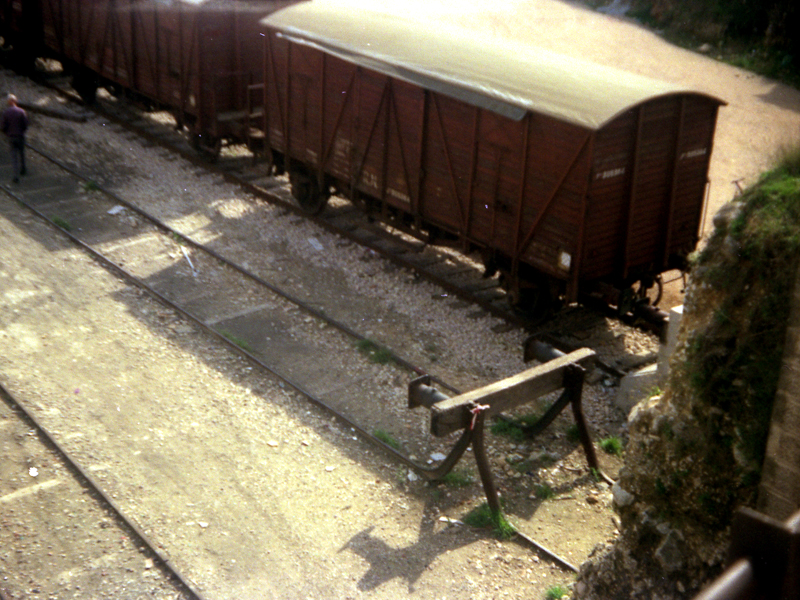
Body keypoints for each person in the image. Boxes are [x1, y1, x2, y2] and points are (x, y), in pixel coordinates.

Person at [1, 94, 28, 183]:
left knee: (14, 156)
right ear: (16, 101)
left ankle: (15, 176)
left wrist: (7, 133)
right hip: (20, 135)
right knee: (22, 153)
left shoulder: (6, 112)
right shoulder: (21, 111)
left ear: (9, 102)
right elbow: (25, 124)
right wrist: (22, 131)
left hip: (11, 136)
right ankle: (23, 168)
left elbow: (2, 126)